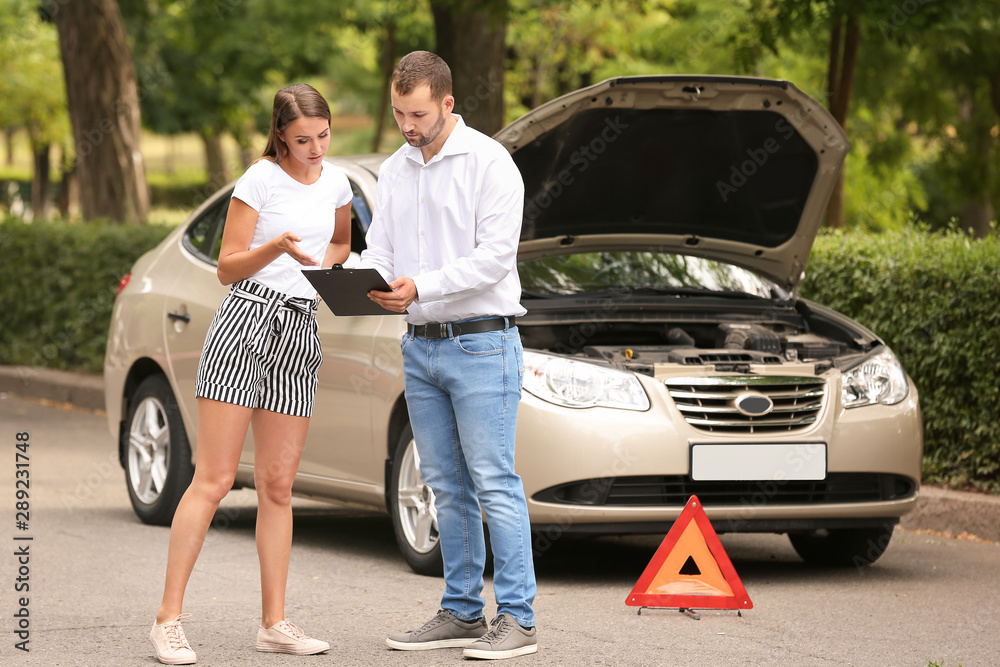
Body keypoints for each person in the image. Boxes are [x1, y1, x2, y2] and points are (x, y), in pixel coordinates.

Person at [148, 83, 353, 665]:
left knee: (279, 485)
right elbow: (227, 266)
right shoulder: (260, 179)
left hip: (300, 325)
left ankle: (274, 624)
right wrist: (279, 249)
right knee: (212, 480)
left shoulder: (336, 182)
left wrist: (330, 268)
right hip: (246, 319)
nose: (315, 149)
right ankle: (167, 621)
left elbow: (340, 241)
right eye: (302, 140)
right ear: (281, 137)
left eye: (323, 136)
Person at [361, 51, 538, 660]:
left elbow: (495, 257)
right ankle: (462, 611)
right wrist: (360, 281)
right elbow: (381, 248)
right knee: (445, 486)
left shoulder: (491, 163)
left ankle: (517, 618)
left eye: (416, 113)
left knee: (494, 482)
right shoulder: (394, 169)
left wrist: (422, 285)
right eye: (398, 113)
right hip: (421, 348)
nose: (407, 125)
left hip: (482, 344)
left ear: (447, 104)